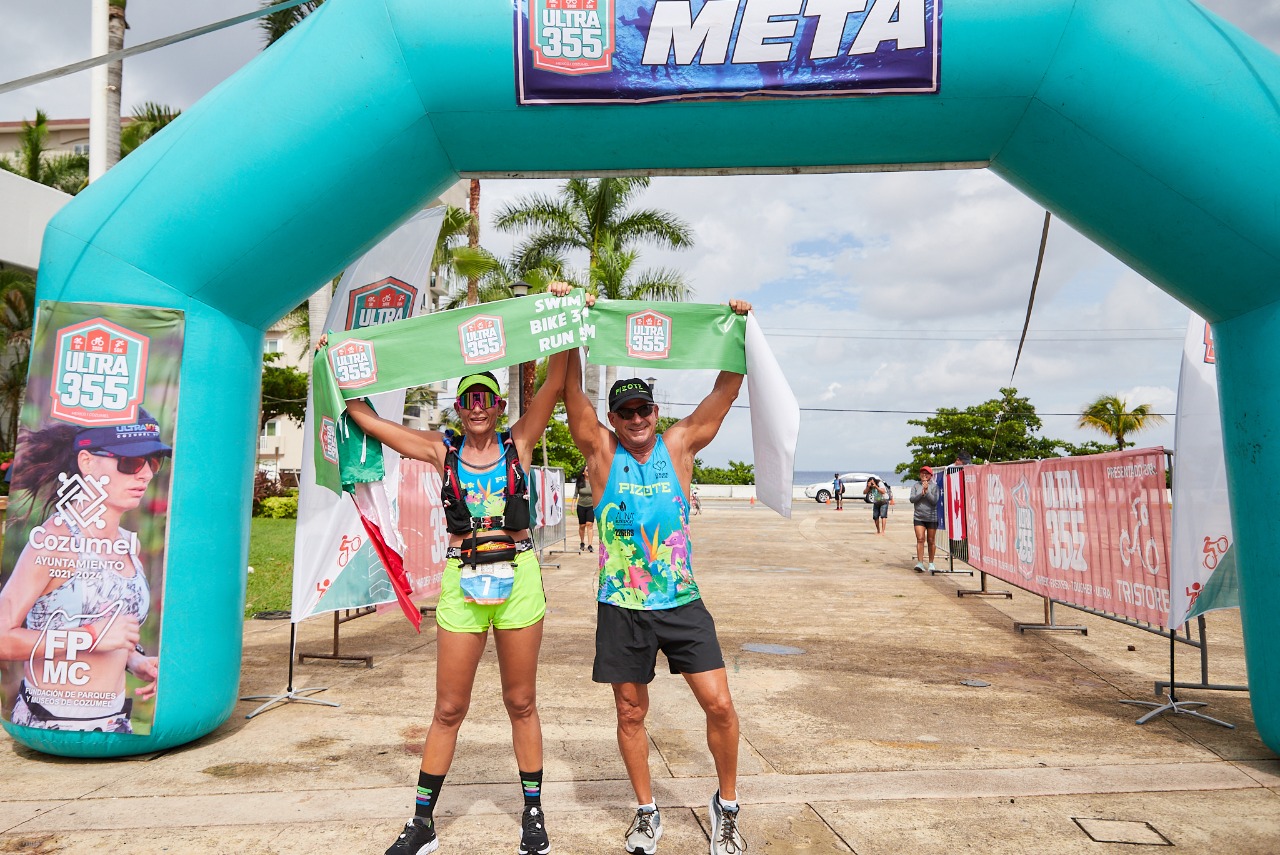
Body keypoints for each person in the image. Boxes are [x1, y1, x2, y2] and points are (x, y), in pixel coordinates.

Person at [331, 299, 573, 855]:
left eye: (487, 398)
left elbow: (556, 382)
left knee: (521, 702)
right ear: (459, 407)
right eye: (469, 399)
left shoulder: (519, 442)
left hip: (518, 578)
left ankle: (533, 815)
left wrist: (563, 315)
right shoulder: (442, 452)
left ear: (498, 404)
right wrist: (337, 365)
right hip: (463, 581)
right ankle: (423, 823)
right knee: (448, 708)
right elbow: (370, 421)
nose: (478, 407)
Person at [563, 299, 752, 855]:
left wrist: (737, 329)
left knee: (720, 705)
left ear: (654, 410)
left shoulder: (678, 444)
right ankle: (646, 812)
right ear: (614, 419)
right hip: (622, 604)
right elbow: (572, 394)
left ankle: (727, 807)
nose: (637, 419)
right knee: (630, 712)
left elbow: (726, 391)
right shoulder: (601, 451)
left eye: (643, 409)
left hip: (681, 600)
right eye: (625, 412)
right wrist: (566, 324)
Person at [0, 411, 168, 733]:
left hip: (116, 724)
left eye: (153, 461)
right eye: (131, 462)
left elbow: (113, 633)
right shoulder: (54, 542)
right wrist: (90, 637)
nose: (146, 474)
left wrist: (136, 661)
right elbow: (3, 638)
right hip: (50, 725)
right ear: (87, 462)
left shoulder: (127, 544)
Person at [909, 465, 941, 572]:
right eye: (922, 473)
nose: (924, 475)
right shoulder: (915, 486)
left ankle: (931, 563)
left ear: (931, 476)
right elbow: (912, 499)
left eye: (926, 473)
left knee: (931, 540)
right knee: (920, 539)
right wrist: (921, 493)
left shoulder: (935, 487)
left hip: (932, 517)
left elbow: (934, 501)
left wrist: (927, 492)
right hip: (919, 517)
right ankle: (920, 563)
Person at [575, 470, 596, 553]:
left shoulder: (594, 482)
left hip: (591, 506)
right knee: (582, 525)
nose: (588, 471)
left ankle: (590, 545)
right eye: (587, 470)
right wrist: (572, 506)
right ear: (583, 473)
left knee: (589, 524)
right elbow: (575, 495)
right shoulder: (580, 483)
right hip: (581, 506)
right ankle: (582, 542)